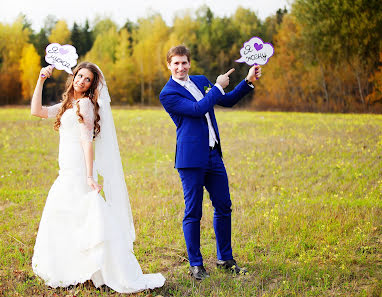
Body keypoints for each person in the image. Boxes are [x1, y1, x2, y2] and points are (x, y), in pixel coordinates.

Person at [30, 61, 165, 292]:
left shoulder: (85, 104)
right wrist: (41, 80)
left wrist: (90, 176)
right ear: (73, 77)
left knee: (84, 213)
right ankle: (72, 266)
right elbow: (37, 111)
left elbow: (87, 141)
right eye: (79, 76)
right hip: (66, 166)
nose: (81, 81)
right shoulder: (68, 104)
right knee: (68, 214)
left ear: (92, 85)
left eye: (87, 79)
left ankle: (99, 267)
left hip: (79, 168)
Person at [159, 45, 261, 280]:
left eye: (184, 62)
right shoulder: (168, 93)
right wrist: (216, 87)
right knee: (193, 211)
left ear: (189, 63)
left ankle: (225, 259)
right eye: (176, 63)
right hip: (191, 160)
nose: (180, 67)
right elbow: (197, 109)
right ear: (169, 65)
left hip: (213, 155)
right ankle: (196, 265)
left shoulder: (200, 80)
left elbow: (226, 101)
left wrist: (247, 81)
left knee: (224, 206)